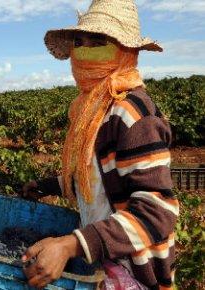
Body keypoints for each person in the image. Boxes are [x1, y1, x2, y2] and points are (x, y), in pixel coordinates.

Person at [20, 1, 178, 289]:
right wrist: (51, 185)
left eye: (98, 42)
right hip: (105, 262)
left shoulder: (132, 116)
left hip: (133, 272)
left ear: (126, 51)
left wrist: (71, 244)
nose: (84, 52)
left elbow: (157, 214)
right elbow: (99, 175)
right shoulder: (95, 109)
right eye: (79, 43)